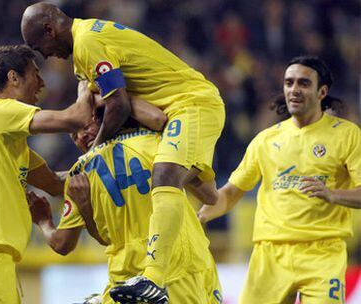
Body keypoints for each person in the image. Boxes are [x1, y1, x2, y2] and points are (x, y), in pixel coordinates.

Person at [21, 4, 225, 301]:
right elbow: (209, 193)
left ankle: (153, 277)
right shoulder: (149, 143)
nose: (46, 55)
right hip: (140, 274)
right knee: (167, 177)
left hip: (176, 269)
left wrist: (93, 151)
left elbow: (124, 103)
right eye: (75, 134)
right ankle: (149, 279)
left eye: (41, 47)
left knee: (166, 177)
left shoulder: (88, 43)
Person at [198, 56, 361, 303]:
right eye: (289, 82)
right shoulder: (266, 140)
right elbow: (231, 192)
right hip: (271, 254)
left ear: (322, 92)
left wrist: (333, 194)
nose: (294, 89)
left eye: (304, 83)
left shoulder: (347, 135)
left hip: (323, 253)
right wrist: (202, 215)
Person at [0, 44, 96, 304]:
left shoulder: (2, 138)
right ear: (13, 78)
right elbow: (76, 118)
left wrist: (105, 174)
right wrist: (86, 86)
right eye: (35, 74)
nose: (42, 83)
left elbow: (54, 184)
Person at [28, 110, 223, 304]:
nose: (81, 136)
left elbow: (64, 243)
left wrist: (45, 222)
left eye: (85, 126)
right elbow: (210, 195)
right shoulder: (158, 143)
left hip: (129, 279)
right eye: (73, 135)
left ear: (103, 120)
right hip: (178, 269)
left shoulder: (79, 176)